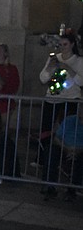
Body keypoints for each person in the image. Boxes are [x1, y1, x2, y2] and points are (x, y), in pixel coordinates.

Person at [37, 33, 83, 165]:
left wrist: (68, 69)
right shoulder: (55, 58)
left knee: (68, 130)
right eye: (60, 45)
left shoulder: (78, 61)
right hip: (53, 97)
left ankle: (67, 160)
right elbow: (43, 78)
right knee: (46, 129)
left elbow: (80, 81)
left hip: (71, 99)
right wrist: (50, 68)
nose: (63, 48)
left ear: (72, 44)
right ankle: (43, 158)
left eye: (65, 44)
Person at [43, 104, 83, 201]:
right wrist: (66, 148)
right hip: (64, 148)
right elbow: (57, 137)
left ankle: (72, 190)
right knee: (51, 151)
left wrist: (77, 150)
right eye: (80, 109)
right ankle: (50, 186)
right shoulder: (70, 120)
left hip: (80, 150)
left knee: (81, 160)